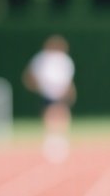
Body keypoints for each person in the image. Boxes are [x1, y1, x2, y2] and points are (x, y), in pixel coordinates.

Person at [24, 35, 76, 163]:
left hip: (60, 91)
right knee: (50, 114)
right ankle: (52, 139)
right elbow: (31, 75)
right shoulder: (41, 58)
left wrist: (69, 90)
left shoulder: (64, 60)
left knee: (61, 113)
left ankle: (60, 139)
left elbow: (67, 78)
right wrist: (38, 86)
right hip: (47, 91)